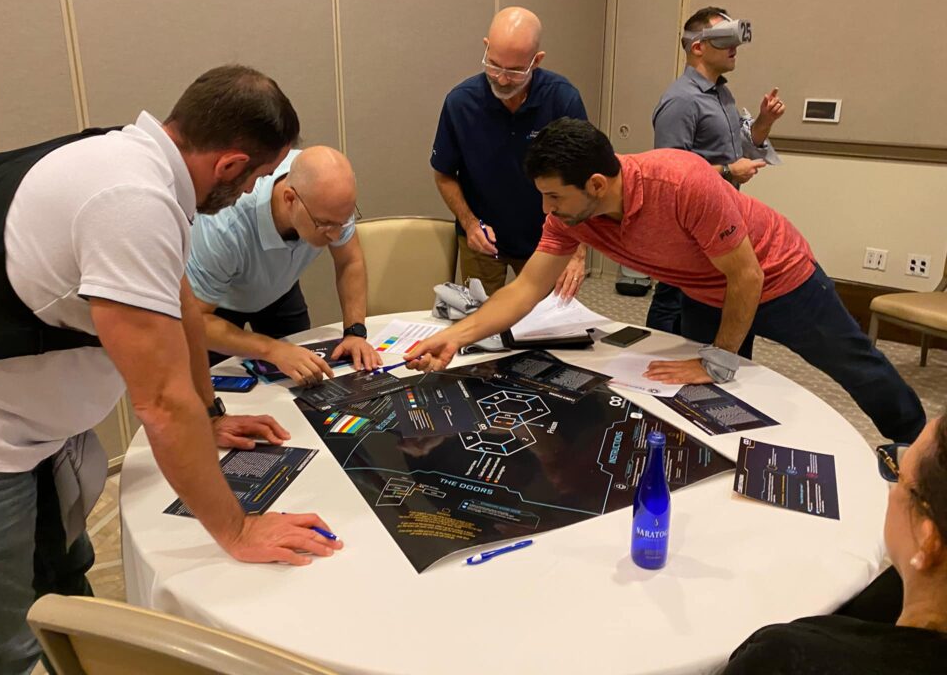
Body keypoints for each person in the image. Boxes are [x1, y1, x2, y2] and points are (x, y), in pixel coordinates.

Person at [0, 65, 342, 675]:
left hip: (40, 432)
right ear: (228, 165)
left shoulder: (129, 160)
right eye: (255, 175)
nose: (253, 191)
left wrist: (211, 412)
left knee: (64, 586)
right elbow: (160, 401)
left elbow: (178, 304)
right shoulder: (132, 201)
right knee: (1, 650)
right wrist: (238, 529)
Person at [405, 118, 925, 445]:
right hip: (704, 289)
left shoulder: (681, 181)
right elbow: (525, 289)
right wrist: (456, 335)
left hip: (779, 278)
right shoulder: (571, 214)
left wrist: (720, 357)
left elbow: (746, 275)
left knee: (856, 366)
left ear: (596, 184)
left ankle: (920, 446)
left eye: (554, 197)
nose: (547, 210)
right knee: (703, 397)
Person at [721, 416, 947, 673]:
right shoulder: (902, 590)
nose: (891, 490)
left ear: (927, 541)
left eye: (898, 471)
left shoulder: (787, 660)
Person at [431, 6, 590, 300]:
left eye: (516, 71)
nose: (502, 80)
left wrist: (578, 252)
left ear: (537, 61)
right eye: (494, 65)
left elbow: (584, 181)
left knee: (546, 328)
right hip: (482, 240)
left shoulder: (562, 100)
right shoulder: (460, 103)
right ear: (486, 48)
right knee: (478, 324)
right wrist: (469, 223)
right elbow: (443, 174)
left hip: (548, 239)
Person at [187, 145, 381, 384]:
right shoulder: (225, 225)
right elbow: (195, 320)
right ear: (290, 199)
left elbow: (349, 261)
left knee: (304, 379)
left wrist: (355, 332)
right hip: (218, 306)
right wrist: (271, 349)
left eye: (343, 221)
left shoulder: (331, 200)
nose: (335, 235)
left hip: (280, 290)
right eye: (325, 225)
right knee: (215, 393)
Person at [647, 6, 786, 334]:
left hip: (718, 218)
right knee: (672, 302)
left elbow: (741, 147)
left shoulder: (721, 93)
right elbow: (669, 177)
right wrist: (727, 172)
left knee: (703, 303)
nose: (734, 47)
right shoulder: (681, 101)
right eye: (725, 39)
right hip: (686, 229)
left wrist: (764, 121)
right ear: (698, 47)